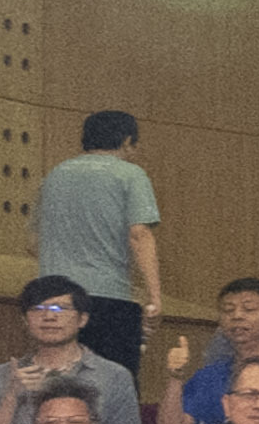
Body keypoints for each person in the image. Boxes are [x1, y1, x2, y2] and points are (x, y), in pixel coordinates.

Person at [34, 108, 167, 369]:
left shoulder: (54, 176)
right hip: (109, 298)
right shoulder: (130, 174)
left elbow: (32, 243)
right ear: (128, 140)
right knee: (114, 384)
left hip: (51, 299)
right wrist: (154, 297)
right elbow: (139, 234)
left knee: (58, 381)